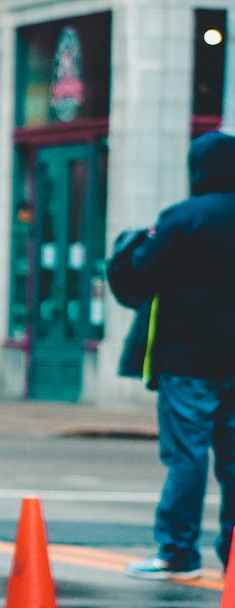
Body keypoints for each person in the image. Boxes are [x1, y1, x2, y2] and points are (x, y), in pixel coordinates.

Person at [106, 130, 235, 579]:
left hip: (189, 361)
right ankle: (233, 556)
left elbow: (137, 282)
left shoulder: (183, 219)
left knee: (187, 456)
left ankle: (178, 553)